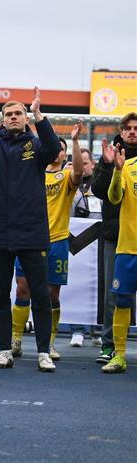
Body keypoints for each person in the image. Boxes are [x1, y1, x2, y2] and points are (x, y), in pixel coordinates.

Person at [0, 86, 61, 372]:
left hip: (32, 231)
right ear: (3, 119)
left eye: (18, 113)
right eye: (7, 114)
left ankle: (44, 352)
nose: (12, 118)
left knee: (39, 294)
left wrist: (39, 115)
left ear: (25, 118)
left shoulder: (37, 147)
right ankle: (5, 350)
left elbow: (55, 148)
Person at [11, 125, 83, 361]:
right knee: (23, 288)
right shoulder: (32, 172)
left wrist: (74, 141)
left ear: (64, 154)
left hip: (57, 241)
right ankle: (16, 339)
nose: (57, 152)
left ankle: (50, 343)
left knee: (52, 294)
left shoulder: (65, 176)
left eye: (62, 149)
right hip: (29, 240)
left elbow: (80, 174)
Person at [92, 112, 137, 363]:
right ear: (121, 131)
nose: (132, 132)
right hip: (115, 235)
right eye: (128, 128)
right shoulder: (110, 154)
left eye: (136, 128)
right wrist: (109, 166)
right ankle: (109, 346)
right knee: (115, 295)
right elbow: (99, 191)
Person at [101, 142, 136, 373]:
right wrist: (116, 170)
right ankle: (119, 355)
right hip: (127, 248)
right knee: (121, 301)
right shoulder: (127, 166)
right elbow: (114, 198)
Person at [68, 147, 98, 347]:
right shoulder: (71, 182)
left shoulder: (99, 183)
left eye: (85, 162)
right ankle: (76, 329)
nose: (82, 165)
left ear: (93, 164)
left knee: (97, 287)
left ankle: (98, 330)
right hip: (75, 241)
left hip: (97, 240)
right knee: (73, 284)